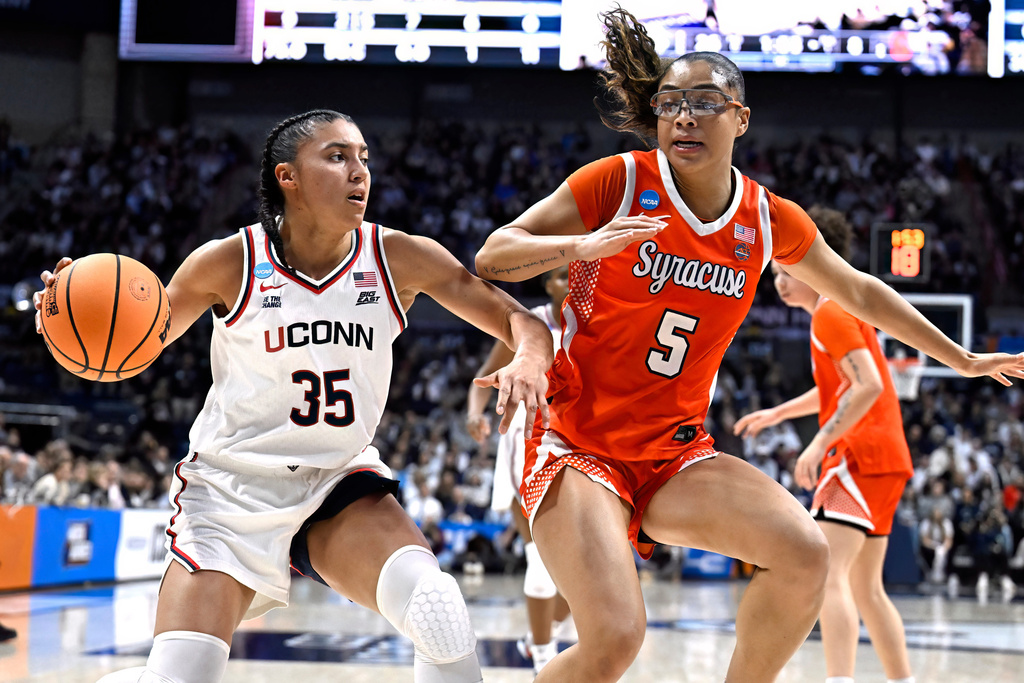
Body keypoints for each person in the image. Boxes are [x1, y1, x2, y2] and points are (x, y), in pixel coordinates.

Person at [473, 8, 1024, 682]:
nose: (683, 116)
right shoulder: (618, 181)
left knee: (804, 552)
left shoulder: (766, 219)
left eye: (705, 102)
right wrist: (578, 246)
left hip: (673, 454)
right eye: (670, 103)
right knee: (615, 638)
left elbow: (864, 292)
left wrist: (962, 358)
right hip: (577, 445)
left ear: (740, 118)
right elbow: (494, 254)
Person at [34, 109, 554, 683]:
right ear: (289, 177)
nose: (359, 172)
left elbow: (521, 322)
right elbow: (130, 350)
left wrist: (530, 354)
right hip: (233, 492)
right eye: (337, 157)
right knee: (180, 676)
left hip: (337, 482)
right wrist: (68, 316)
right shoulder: (228, 262)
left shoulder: (398, 257)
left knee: (439, 609)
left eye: (364, 158)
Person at [734, 206, 915, 683]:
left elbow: (868, 386)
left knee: (828, 573)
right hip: (886, 458)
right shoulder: (840, 310)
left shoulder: (830, 313)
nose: (777, 279)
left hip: (856, 457)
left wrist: (816, 445)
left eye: (785, 268)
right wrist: (779, 412)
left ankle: (839, 680)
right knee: (867, 587)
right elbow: (840, 387)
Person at [465, 265, 572, 673]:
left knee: (586, 574)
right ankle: (544, 662)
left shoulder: (597, 318)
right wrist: (476, 414)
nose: (569, 282)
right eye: (561, 276)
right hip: (525, 446)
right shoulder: (531, 323)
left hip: (578, 446)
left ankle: (538, 639)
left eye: (576, 274)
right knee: (540, 564)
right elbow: (484, 374)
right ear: (548, 284)